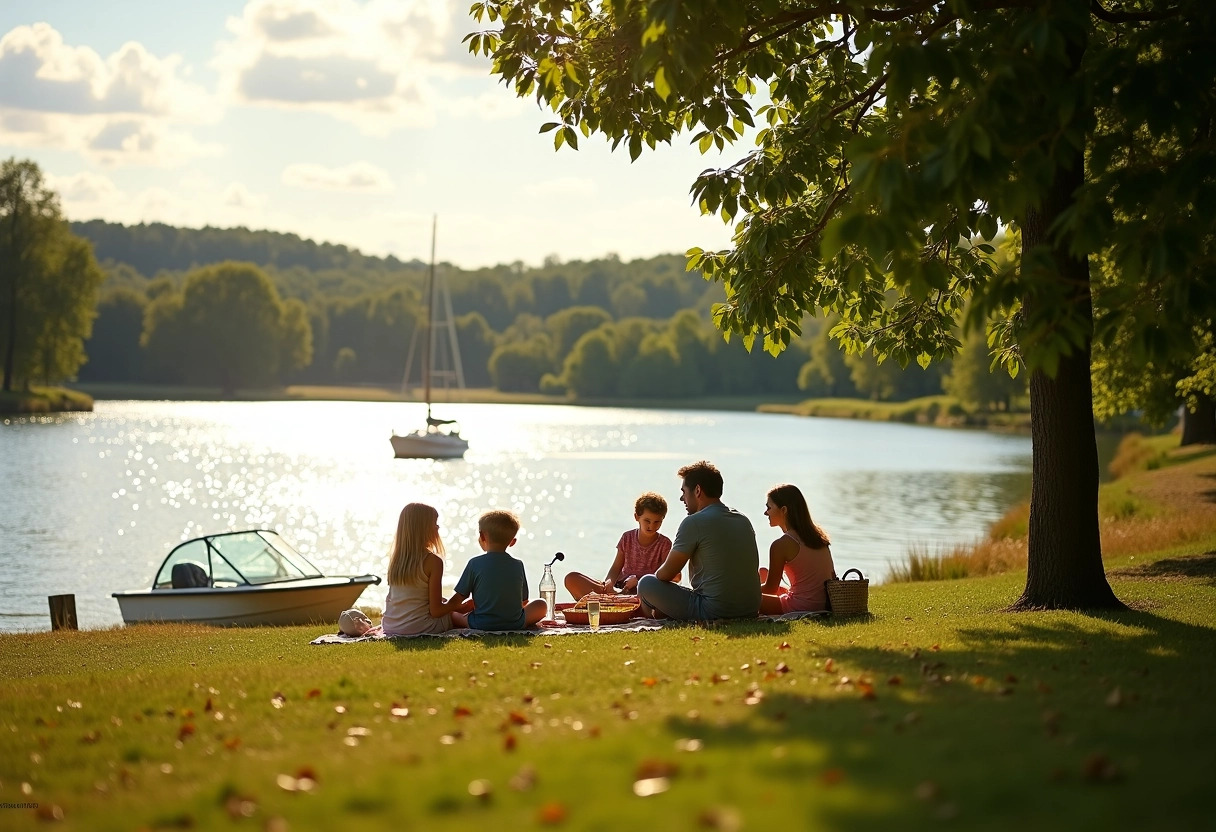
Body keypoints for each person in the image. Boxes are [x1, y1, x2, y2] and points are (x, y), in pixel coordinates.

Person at [636, 460, 761, 621]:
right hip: (750, 609)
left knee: (646, 583)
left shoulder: (694, 522)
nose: (682, 498)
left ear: (697, 490)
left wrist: (655, 579)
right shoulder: (743, 520)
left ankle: (650, 620)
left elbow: (666, 575)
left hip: (713, 611)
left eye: (684, 491)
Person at [381, 503, 473, 635]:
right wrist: (456, 604)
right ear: (423, 528)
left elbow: (416, 596)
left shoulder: (397, 560)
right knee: (455, 615)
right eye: (434, 523)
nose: (438, 526)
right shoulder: (433, 561)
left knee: (448, 608)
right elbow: (436, 612)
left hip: (392, 626)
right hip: (421, 627)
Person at [563, 492, 673, 600]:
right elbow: (616, 568)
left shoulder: (664, 544)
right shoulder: (627, 537)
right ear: (636, 517)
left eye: (657, 522)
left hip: (644, 593)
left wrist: (639, 581)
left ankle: (606, 602)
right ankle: (607, 600)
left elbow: (668, 575)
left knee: (651, 596)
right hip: (619, 589)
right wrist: (609, 583)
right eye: (647, 521)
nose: (651, 526)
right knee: (572, 578)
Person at [450, 509, 547, 630]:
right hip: (514, 623)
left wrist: (446, 607)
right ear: (513, 542)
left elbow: (460, 596)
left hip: (480, 623)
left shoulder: (474, 563)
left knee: (452, 615)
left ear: (482, 536)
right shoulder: (518, 564)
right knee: (541, 604)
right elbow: (524, 601)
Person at [758, 484, 836, 614]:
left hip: (800, 606)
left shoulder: (781, 545)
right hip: (824, 604)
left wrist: (744, 592)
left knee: (746, 599)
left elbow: (770, 589)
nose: (765, 512)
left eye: (769, 507)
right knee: (763, 573)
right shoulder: (818, 537)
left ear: (784, 510)